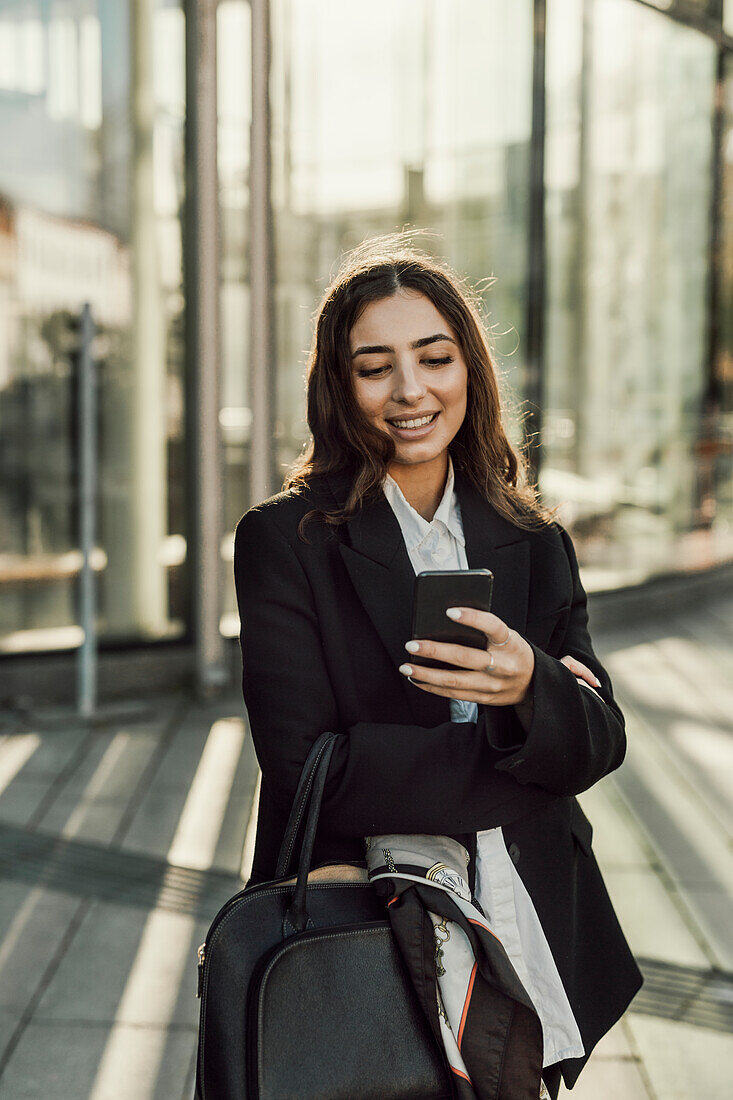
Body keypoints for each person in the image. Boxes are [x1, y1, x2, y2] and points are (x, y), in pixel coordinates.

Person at [234, 232, 642, 1097]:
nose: (410, 391)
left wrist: (529, 684)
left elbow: (600, 741)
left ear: (470, 370)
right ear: (337, 385)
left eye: (434, 357)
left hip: (524, 916)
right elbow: (310, 769)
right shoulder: (286, 541)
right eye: (374, 366)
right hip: (358, 924)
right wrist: (528, 745)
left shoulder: (534, 539)